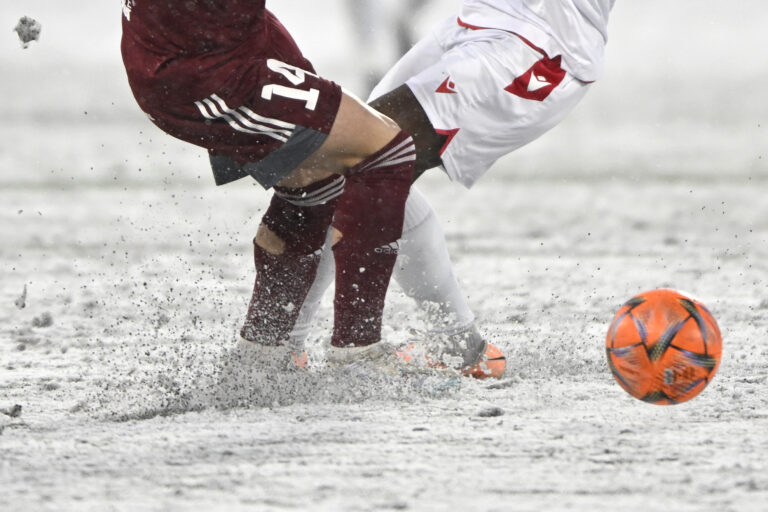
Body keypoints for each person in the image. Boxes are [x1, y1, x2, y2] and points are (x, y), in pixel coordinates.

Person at [289, 0, 617, 374]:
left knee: (360, 159)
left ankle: (348, 352)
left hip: (539, 43)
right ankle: (292, 349)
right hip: (478, 21)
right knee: (338, 167)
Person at [120, 0, 419, 364]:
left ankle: (260, 356)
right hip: (205, 68)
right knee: (386, 152)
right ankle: (359, 355)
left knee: (313, 180)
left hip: (208, 40)